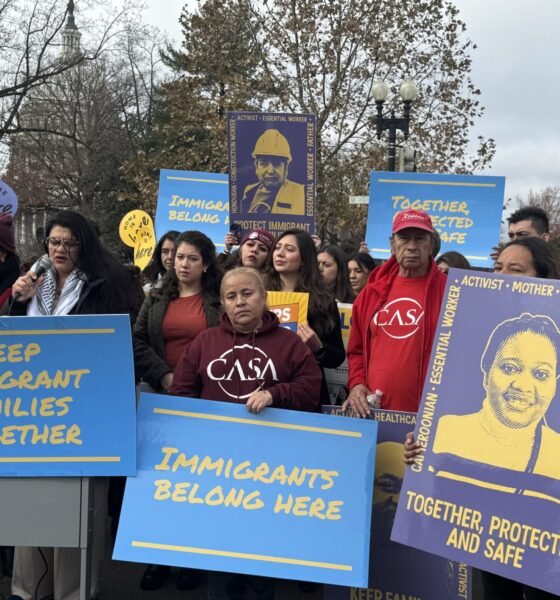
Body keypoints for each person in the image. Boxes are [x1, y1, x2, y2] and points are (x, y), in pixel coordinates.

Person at [5, 210, 143, 600]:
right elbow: (11, 340)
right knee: (29, 494)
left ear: (85, 245)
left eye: (69, 242)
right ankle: (28, 588)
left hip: (85, 408)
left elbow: (118, 344)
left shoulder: (109, 282)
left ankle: (72, 589)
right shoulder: (33, 280)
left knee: (78, 500)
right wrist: (17, 302)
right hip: (35, 405)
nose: (60, 249)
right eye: (54, 242)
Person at [170, 267, 322, 600]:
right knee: (221, 556)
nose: (240, 302)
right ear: (222, 303)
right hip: (217, 467)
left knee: (261, 556)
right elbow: (181, 393)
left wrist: (275, 394)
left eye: (247, 294)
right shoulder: (204, 342)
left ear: (265, 297)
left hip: (271, 467)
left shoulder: (289, 343)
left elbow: (311, 390)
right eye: (231, 296)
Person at [133, 230, 221, 592]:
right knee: (159, 482)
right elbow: (137, 340)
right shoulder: (155, 298)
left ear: (205, 265)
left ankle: (190, 557)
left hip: (205, 402)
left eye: (192, 259)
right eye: (179, 257)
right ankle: (158, 557)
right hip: (162, 398)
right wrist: (164, 375)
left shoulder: (218, 300)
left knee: (195, 483)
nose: (183, 264)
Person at [346, 209, 447, 416]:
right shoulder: (370, 293)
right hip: (374, 412)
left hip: (429, 417)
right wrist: (357, 384)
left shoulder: (451, 292)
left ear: (431, 245)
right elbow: (356, 351)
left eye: (419, 239)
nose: (411, 246)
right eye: (404, 238)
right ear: (393, 244)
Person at [266, 229, 345, 405]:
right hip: (263, 385)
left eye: (289, 249)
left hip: (305, 391)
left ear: (304, 258)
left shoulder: (323, 301)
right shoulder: (258, 293)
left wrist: (318, 347)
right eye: (277, 247)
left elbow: (338, 357)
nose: (280, 253)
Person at [241, 129, 305, 215]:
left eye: (277, 163)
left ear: (286, 168)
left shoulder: (300, 194)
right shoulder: (248, 191)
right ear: (256, 166)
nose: (270, 171)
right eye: (264, 163)